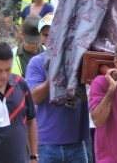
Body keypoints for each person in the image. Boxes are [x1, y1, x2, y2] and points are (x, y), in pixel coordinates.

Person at [26, 27, 90, 163]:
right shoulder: (36, 63)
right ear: (43, 38)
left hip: (76, 144)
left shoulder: (82, 60)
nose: (53, 38)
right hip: (46, 145)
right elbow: (34, 98)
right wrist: (55, 74)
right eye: (47, 35)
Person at [0, 42, 38, 163]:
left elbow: (31, 120)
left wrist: (33, 156)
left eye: (8, 69)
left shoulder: (20, 83)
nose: (4, 75)